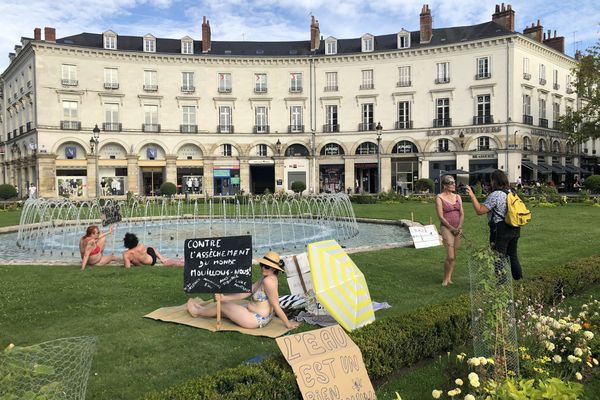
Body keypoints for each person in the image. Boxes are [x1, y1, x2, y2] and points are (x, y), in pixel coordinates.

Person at [186, 251, 301, 330]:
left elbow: (276, 305)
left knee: (224, 306)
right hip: (256, 314)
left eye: (266, 266)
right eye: (262, 265)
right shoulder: (266, 278)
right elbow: (247, 291)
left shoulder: (268, 282)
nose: (262, 268)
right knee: (225, 307)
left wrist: (288, 324)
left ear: (274, 269)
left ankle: (197, 312)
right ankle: (202, 309)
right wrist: (225, 297)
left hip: (256, 319)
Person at [465, 169, 522, 280]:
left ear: (494, 181)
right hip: (514, 227)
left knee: (498, 257)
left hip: (500, 229)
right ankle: (519, 280)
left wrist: (472, 195)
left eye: (491, 180)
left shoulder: (496, 194)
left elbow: (480, 210)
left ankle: (501, 284)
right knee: (513, 256)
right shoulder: (512, 192)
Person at [435, 175, 464, 286]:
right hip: (446, 228)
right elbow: (441, 217)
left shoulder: (457, 197)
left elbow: (462, 213)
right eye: (451, 183)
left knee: (454, 256)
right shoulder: (439, 197)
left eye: (454, 183)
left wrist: (459, 227)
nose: (453, 185)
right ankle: (445, 278)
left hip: (458, 228)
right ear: (445, 185)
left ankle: (449, 277)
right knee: (450, 256)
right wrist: (451, 228)